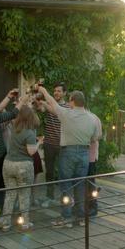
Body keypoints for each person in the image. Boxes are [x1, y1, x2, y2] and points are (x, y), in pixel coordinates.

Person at [38, 86, 99, 228]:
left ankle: (66, 217)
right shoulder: (92, 118)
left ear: (72, 101)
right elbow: (95, 138)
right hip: (84, 154)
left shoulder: (66, 113)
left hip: (68, 153)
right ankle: (80, 217)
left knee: (66, 185)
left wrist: (43, 91)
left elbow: (52, 102)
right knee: (80, 185)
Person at [0, 105, 44, 231]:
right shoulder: (30, 132)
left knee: (10, 194)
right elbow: (31, 152)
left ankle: (6, 224)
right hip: (23, 166)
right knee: (24, 195)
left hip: (8, 163)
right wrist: (39, 143)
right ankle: (25, 223)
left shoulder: (14, 128)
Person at [38, 82, 69, 208]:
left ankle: (64, 198)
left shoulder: (67, 107)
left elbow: (55, 111)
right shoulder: (50, 104)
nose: (56, 93)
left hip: (62, 145)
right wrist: (38, 102)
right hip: (49, 144)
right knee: (49, 172)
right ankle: (49, 197)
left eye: (59, 91)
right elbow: (41, 109)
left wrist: (45, 102)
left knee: (63, 172)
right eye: (55, 91)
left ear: (64, 93)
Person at [86, 110, 102, 216]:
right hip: (82, 156)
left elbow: (99, 135)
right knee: (84, 182)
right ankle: (86, 204)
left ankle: (93, 206)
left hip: (90, 155)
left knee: (90, 182)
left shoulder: (93, 118)